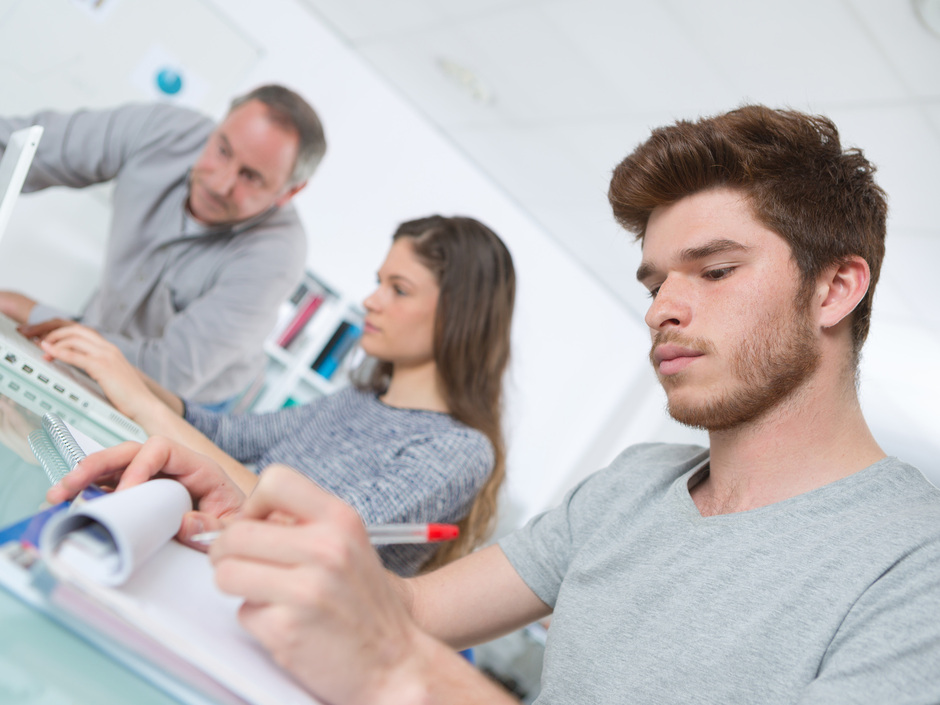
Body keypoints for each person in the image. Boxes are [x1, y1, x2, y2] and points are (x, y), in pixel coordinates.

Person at [50, 106, 940, 704]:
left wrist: (404, 672)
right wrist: (231, 497)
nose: (663, 305)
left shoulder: (914, 569)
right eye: (656, 279)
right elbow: (398, 611)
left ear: (835, 290)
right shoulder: (632, 487)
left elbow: (395, 647)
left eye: (712, 271)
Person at [45, 215, 516, 576]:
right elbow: (228, 435)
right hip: (201, 553)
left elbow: (300, 529)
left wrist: (142, 403)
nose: (372, 300)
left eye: (399, 289)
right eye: (379, 282)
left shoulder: (459, 451)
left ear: (459, 315)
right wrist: (125, 372)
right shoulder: (357, 400)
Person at [0, 84, 326, 408]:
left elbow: (167, 374)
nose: (219, 184)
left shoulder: (277, 255)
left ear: (289, 192)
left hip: (189, 399)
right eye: (223, 150)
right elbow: (21, 146)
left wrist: (28, 310)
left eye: (251, 177)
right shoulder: (161, 129)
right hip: (98, 332)